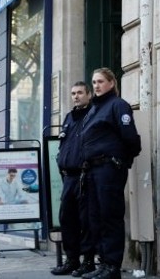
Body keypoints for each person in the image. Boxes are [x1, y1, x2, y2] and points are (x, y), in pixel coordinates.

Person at [79, 68, 141, 279]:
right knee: (95, 218)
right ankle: (103, 263)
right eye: (94, 82)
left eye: (101, 81)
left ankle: (113, 267)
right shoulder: (94, 109)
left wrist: (122, 161)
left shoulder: (118, 105)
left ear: (112, 83)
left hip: (109, 168)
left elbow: (131, 138)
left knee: (110, 216)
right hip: (92, 170)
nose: (96, 85)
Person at [51, 81, 96, 276]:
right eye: (73, 93)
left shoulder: (93, 114)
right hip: (68, 177)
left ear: (89, 94)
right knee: (66, 218)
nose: (76, 96)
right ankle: (72, 260)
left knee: (85, 220)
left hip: (85, 175)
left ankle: (88, 261)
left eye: (79, 93)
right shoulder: (69, 117)